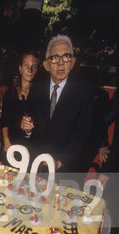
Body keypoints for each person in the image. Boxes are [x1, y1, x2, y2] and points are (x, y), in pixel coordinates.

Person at [21, 34, 94, 173]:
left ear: (72, 62)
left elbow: (82, 133)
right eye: (54, 58)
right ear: (46, 65)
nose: (61, 63)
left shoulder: (84, 91)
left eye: (66, 56)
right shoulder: (36, 87)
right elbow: (29, 124)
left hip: (66, 168)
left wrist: (60, 161)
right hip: (36, 165)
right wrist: (27, 129)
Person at [1, 51, 39, 162]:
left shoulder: (41, 93)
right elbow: (5, 119)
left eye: (34, 66)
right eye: (26, 65)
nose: (30, 69)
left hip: (33, 147)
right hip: (14, 144)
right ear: (20, 68)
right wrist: (7, 141)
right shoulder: (10, 92)